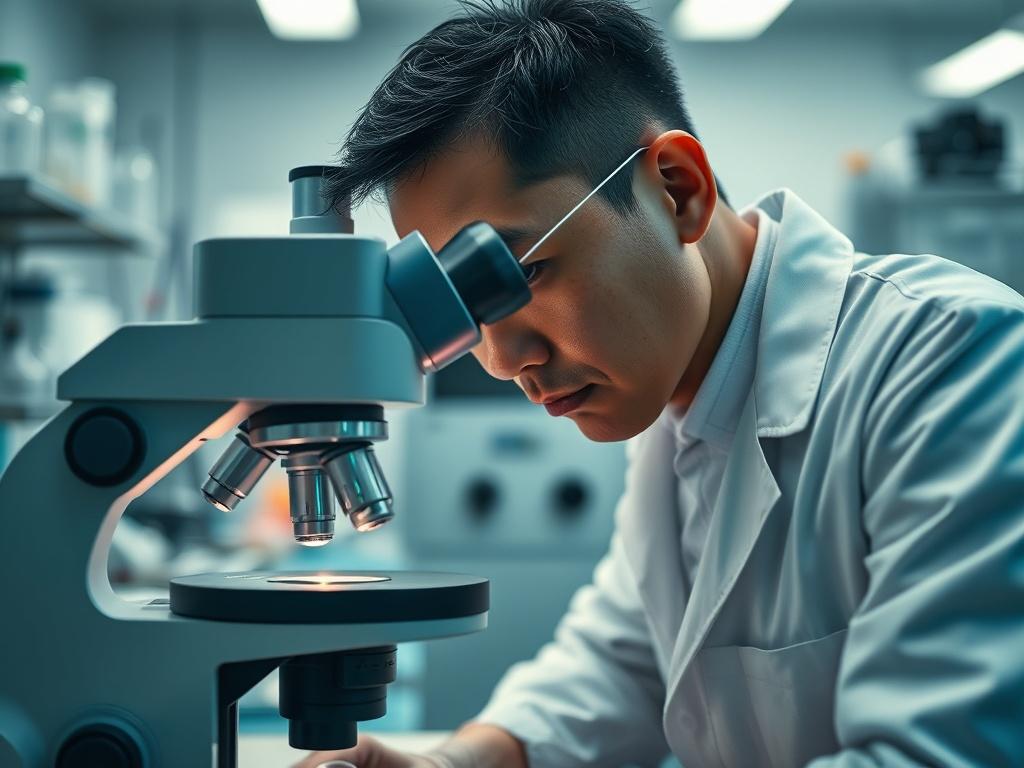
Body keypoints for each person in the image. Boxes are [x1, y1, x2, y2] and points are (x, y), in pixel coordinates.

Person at [294, 1, 1024, 766]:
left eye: (519, 273)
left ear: (677, 188)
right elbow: (624, 665)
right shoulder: (680, 398)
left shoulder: (950, 363)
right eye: (464, 309)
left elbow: (941, 753)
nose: (504, 361)